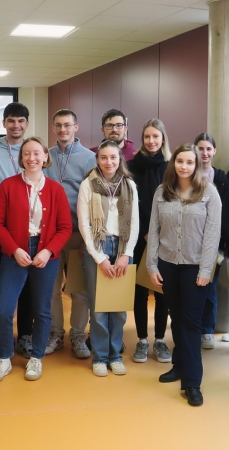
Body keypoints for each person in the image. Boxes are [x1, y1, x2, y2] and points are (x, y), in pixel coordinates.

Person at [0, 137, 71, 382]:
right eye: (26, 154)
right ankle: (3, 358)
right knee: (2, 310)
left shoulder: (56, 189)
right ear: (20, 158)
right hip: (15, 253)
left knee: (42, 310)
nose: (31, 158)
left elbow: (65, 227)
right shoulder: (8, 185)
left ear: (46, 156)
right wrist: (14, 249)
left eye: (37, 153)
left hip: (46, 253)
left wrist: (48, 251)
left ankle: (36, 358)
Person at [147, 144, 221, 406]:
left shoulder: (209, 193)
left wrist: (205, 270)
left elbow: (212, 235)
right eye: (180, 161)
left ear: (197, 164)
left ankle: (192, 381)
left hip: (194, 268)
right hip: (168, 264)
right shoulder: (162, 192)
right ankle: (178, 365)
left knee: (190, 323)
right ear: (174, 162)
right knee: (176, 317)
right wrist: (152, 265)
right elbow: (154, 230)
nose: (184, 166)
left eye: (190, 162)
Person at [78, 141, 139, 376]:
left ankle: (115, 355)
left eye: (113, 157)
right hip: (98, 248)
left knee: (119, 308)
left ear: (120, 159)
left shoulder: (130, 185)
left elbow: (134, 224)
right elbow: (84, 225)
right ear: (97, 160)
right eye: (103, 157)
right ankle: (100, 357)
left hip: (123, 248)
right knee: (100, 308)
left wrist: (126, 254)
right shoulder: (88, 185)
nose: (109, 162)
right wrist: (100, 258)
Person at [42, 109, 96, 359]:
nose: (63, 129)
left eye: (67, 125)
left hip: (77, 234)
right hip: (50, 236)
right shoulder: (46, 157)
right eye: (58, 125)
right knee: (51, 288)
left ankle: (77, 335)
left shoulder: (89, 158)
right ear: (53, 128)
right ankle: (55, 333)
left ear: (76, 127)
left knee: (79, 289)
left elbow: (95, 199)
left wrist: (91, 236)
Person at [0, 102, 32, 359]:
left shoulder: (32, 150)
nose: (16, 125)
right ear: (4, 123)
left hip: (30, 229)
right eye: (11, 121)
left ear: (26, 124)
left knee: (27, 285)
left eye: (21, 121)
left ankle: (25, 333)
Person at [127, 119, 172, 364]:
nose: (151, 141)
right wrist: (145, 232)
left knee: (162, 291)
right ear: (142, 139)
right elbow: (129, 206)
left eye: (156, 136)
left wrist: (159, 234)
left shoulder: (172, 167)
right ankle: (143, 340)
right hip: (139, 237)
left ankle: (161, 340)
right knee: (140, 291)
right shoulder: (131, 166)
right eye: (147, 137)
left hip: (165, 240)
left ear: (163, 138)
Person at [193, 133, 229, 348]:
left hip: (214, 244)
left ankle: (207, 330)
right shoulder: (187, 173)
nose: (204, 153)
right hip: (190, 241)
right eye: (200, 148)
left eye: (208, 149)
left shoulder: (223, 178)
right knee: (189, 289)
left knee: (209, 288)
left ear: (214, 151)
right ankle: (190, 328)